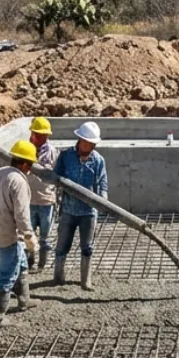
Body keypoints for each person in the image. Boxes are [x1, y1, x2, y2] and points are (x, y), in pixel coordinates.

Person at [0, 117, 59, 267]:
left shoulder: (53, 153)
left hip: (46, 201)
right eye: (35, 134)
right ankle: (28, 262)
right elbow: (0, 160)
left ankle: (42, 265)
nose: (37, 138)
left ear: (47, 136)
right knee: (27, 235)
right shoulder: (23, 150)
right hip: (29, 201)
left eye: (41, 135)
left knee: (45, 238)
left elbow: (60, 175)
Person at [0, 140, 41, 327]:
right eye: (30, 164)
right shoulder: (18, 181)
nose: (30, 169)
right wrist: (29, 236)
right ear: (23, 163)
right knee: (7, 276)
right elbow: (22, 215)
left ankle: (24, 300)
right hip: (9, 237)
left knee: (22, 265)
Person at [52, 121, 108, 290]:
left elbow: (102, 182)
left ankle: (85, 280)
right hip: (68, 209)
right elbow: (56, 177)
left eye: (91, 144)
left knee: (87, 247)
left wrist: (103, 199)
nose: (88, 146)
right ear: (80, 140)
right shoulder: (66, 156)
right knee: (62, 245)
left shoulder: (98, 160)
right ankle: (58, 277)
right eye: (86, 142)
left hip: (88, 211)